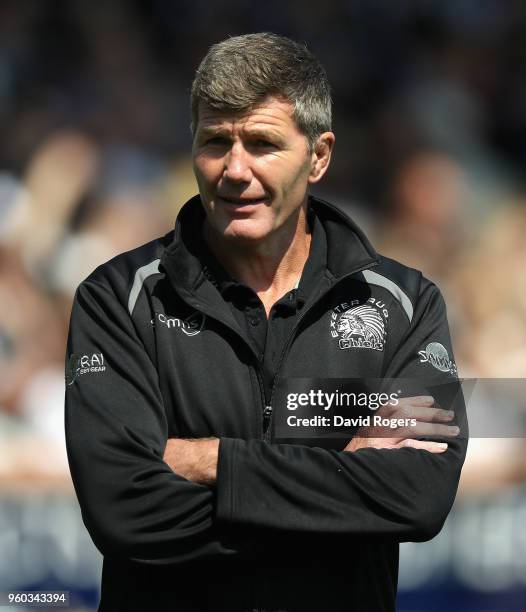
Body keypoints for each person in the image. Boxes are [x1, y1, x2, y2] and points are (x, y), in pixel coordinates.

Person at [65, 33, 467, 612]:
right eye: (215, 142)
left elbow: (419, 499)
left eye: (262, 143)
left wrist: (209, 461)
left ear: (319, 156)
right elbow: (122, 511)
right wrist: (337, 493)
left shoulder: (404, 302)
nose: (234, 169)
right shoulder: (119, 298)